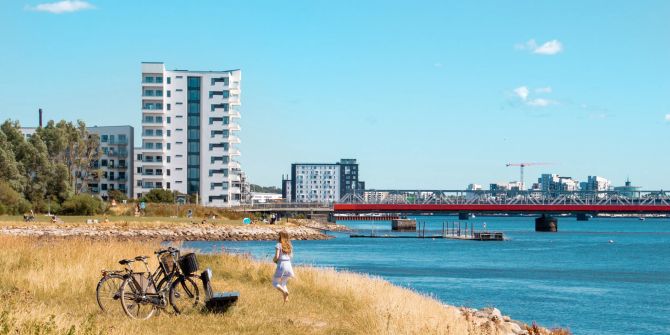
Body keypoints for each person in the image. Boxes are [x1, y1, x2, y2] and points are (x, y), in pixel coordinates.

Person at [272, 230, 295, 303]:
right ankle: (286, 301)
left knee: (275, 283)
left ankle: (284, 292)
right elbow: (291, 256)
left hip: (282, 265)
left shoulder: (278, 245)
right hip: (288, 265)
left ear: (280, 236)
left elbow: (277, 256)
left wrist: (274, 260)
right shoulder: (289, 246)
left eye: (278, 235)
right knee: (283, 283)